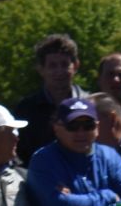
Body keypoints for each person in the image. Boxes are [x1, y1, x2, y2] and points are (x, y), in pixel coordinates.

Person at [26, 97, 121, 206]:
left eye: (88, 125)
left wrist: (80, 201)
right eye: (72, 126)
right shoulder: (43, 161)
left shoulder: (109, 155)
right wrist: (109, 197)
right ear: (56, 128)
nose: (81, 133)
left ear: (97, 128)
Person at [13, 34, 86, 164]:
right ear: (40, 69)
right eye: (52, 65)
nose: (59, 71)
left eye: (64, 64)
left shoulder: (90, 104)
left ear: (75, 66)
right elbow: (17, 152)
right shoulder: (26, 109)